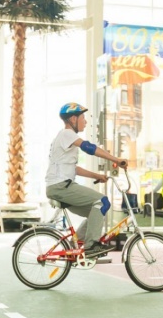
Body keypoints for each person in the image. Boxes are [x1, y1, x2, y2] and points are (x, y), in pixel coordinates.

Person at [46, 103, 127, 258]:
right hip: (61, 187)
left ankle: (74, 244)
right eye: (83, 117)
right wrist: (116, 159)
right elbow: (89, 148)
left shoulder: (64, 138)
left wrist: (97, 176)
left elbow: (74, 169)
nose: (86, 121)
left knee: (96, 212)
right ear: (73, 119)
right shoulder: (67, 134)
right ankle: (91, 245)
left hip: (59, 186)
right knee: (102, 201)